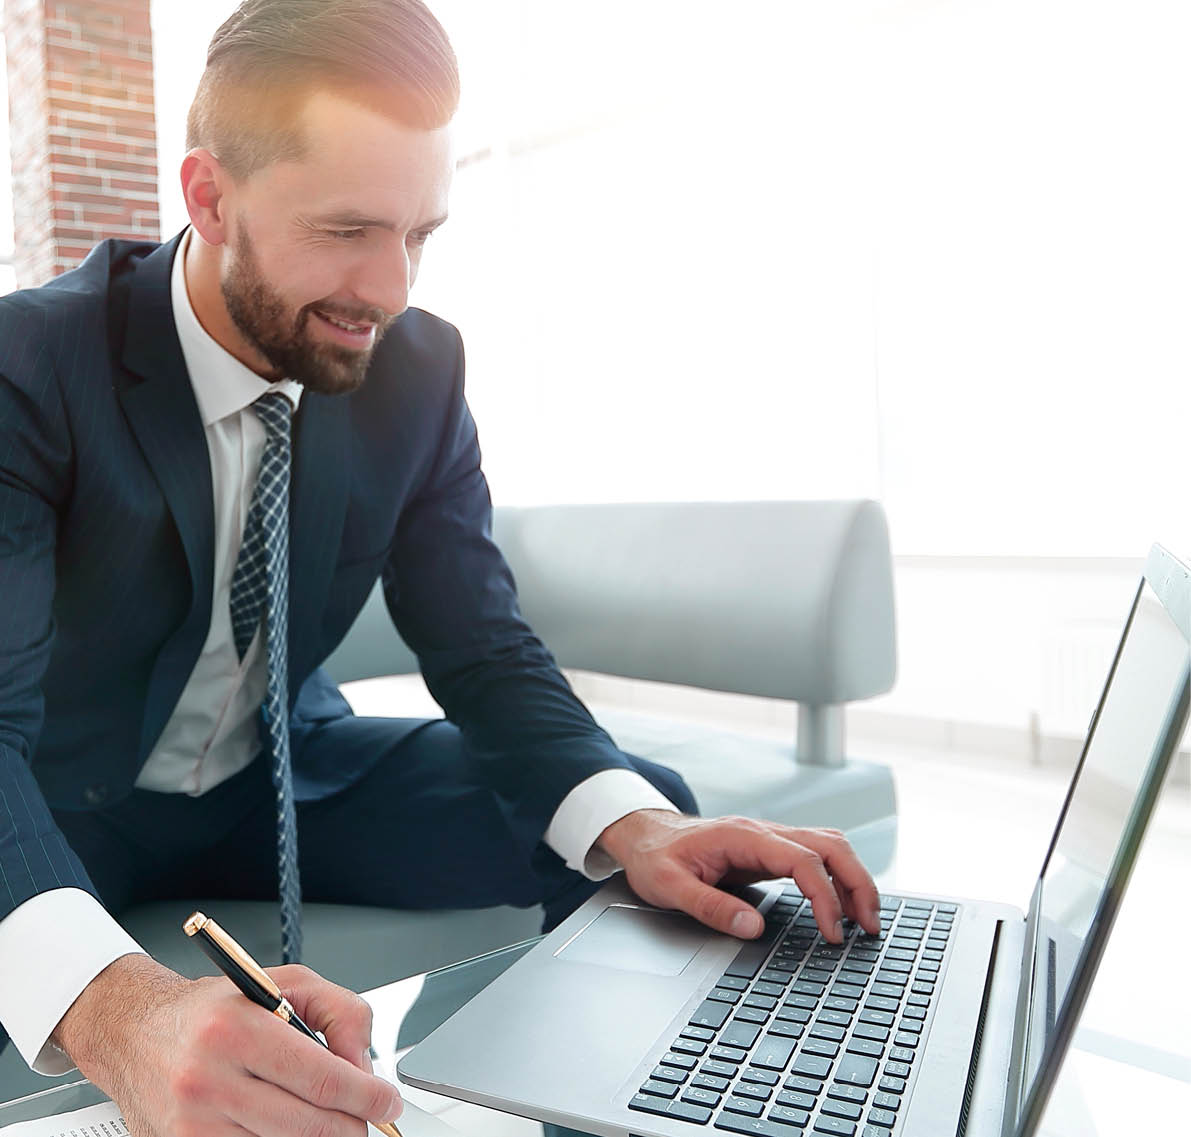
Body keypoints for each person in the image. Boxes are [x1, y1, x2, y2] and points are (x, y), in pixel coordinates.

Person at [0, 2, 881, 1135]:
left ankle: (616, 1111)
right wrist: (122, 1011)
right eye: (350, 228)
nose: (392, 289)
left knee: (652, 830)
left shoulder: (415, 370)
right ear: (209, 197)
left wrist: (633, 826)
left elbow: (481, 639)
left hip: (286, 770)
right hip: (63, 799)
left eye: (421, 233)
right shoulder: (33, 367)